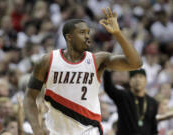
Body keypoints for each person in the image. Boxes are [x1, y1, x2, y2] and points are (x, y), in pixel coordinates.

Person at [23, 7, 142, 135]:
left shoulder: (97, 60)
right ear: (69, 37)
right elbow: (29, 97)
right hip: (57, 131)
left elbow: (135, 63)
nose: (87, 36)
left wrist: (118, 34)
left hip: (89, 130)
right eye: (82, 32)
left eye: (88, 32)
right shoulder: (47, 61)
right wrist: (37, 128)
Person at [103, 69, 158, 135]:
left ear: (146, 81)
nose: (138, 80)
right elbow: (109, 88)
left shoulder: (152, 102)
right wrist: (108, 69)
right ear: (130, 81)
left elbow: (153, 127)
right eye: (134, 77)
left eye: (140, 76)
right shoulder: (123, 97)